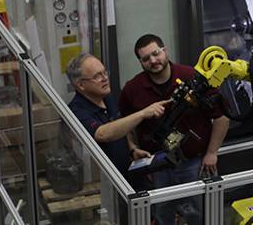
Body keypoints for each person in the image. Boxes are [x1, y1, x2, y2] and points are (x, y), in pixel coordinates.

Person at [119, 34, 229, 225]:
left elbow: (222, 117)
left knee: (200, 214)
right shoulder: (132, 90)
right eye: (146, 58)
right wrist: (132, 148)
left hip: (195, 162)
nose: (153, 61)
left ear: (165, 51)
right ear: (140, 62)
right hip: (158, 166)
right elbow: (125, 124)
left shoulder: (193, 78)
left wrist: (212, 152)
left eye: (156, 53)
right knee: (163, 214)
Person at [66, 53, 171, 176]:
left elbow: (119, 125)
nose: (105, 78)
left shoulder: (106, 97)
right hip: (103, 181)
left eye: (104, 72)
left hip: (126, 175)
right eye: (97, 76)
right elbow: (102, 134)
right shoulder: (76, 110)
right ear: (81, 85)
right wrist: (143, 113)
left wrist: (132, 149)